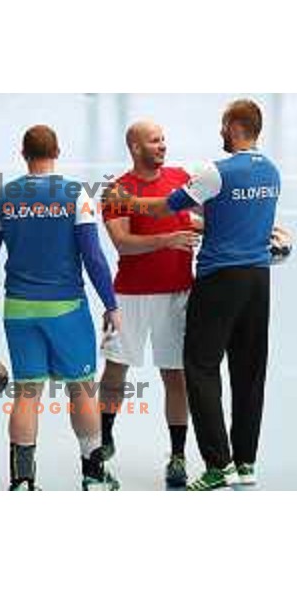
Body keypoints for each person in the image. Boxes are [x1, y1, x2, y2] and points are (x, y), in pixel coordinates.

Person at [104, 100, 290, 491]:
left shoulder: (212, 172)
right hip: (258, 280)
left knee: (200, 368)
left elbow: (162, 209)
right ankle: (246, 463)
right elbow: (244, 221)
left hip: (219, 281)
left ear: (233, 126)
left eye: (224, 125)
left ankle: (216, 464)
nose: (221, 131)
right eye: (155, 140)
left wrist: (126, 201)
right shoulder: (272, 172)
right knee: (249, 372)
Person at [0, 124, 121, 491]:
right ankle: (94, 475)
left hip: (19, 309)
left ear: (23, 153)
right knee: (82, 389)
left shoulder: (3, 197)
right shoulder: (75, 194)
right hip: (66, 308)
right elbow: (93, 256)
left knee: (26, 394)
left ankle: (21, 480)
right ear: (58, 152)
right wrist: (111, 303)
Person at [100, 120, 200, 487]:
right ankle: (104, 439)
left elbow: (192, 219)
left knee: (175, 376)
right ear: (135, 147)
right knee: (115, 371)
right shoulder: (117, 191)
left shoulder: (181, 177)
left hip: (177, 295)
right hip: (128, 297)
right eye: (154, 141)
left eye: (163, 140)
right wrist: (167, 240)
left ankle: (177, 455)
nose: (162, 146)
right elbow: (123, 242)